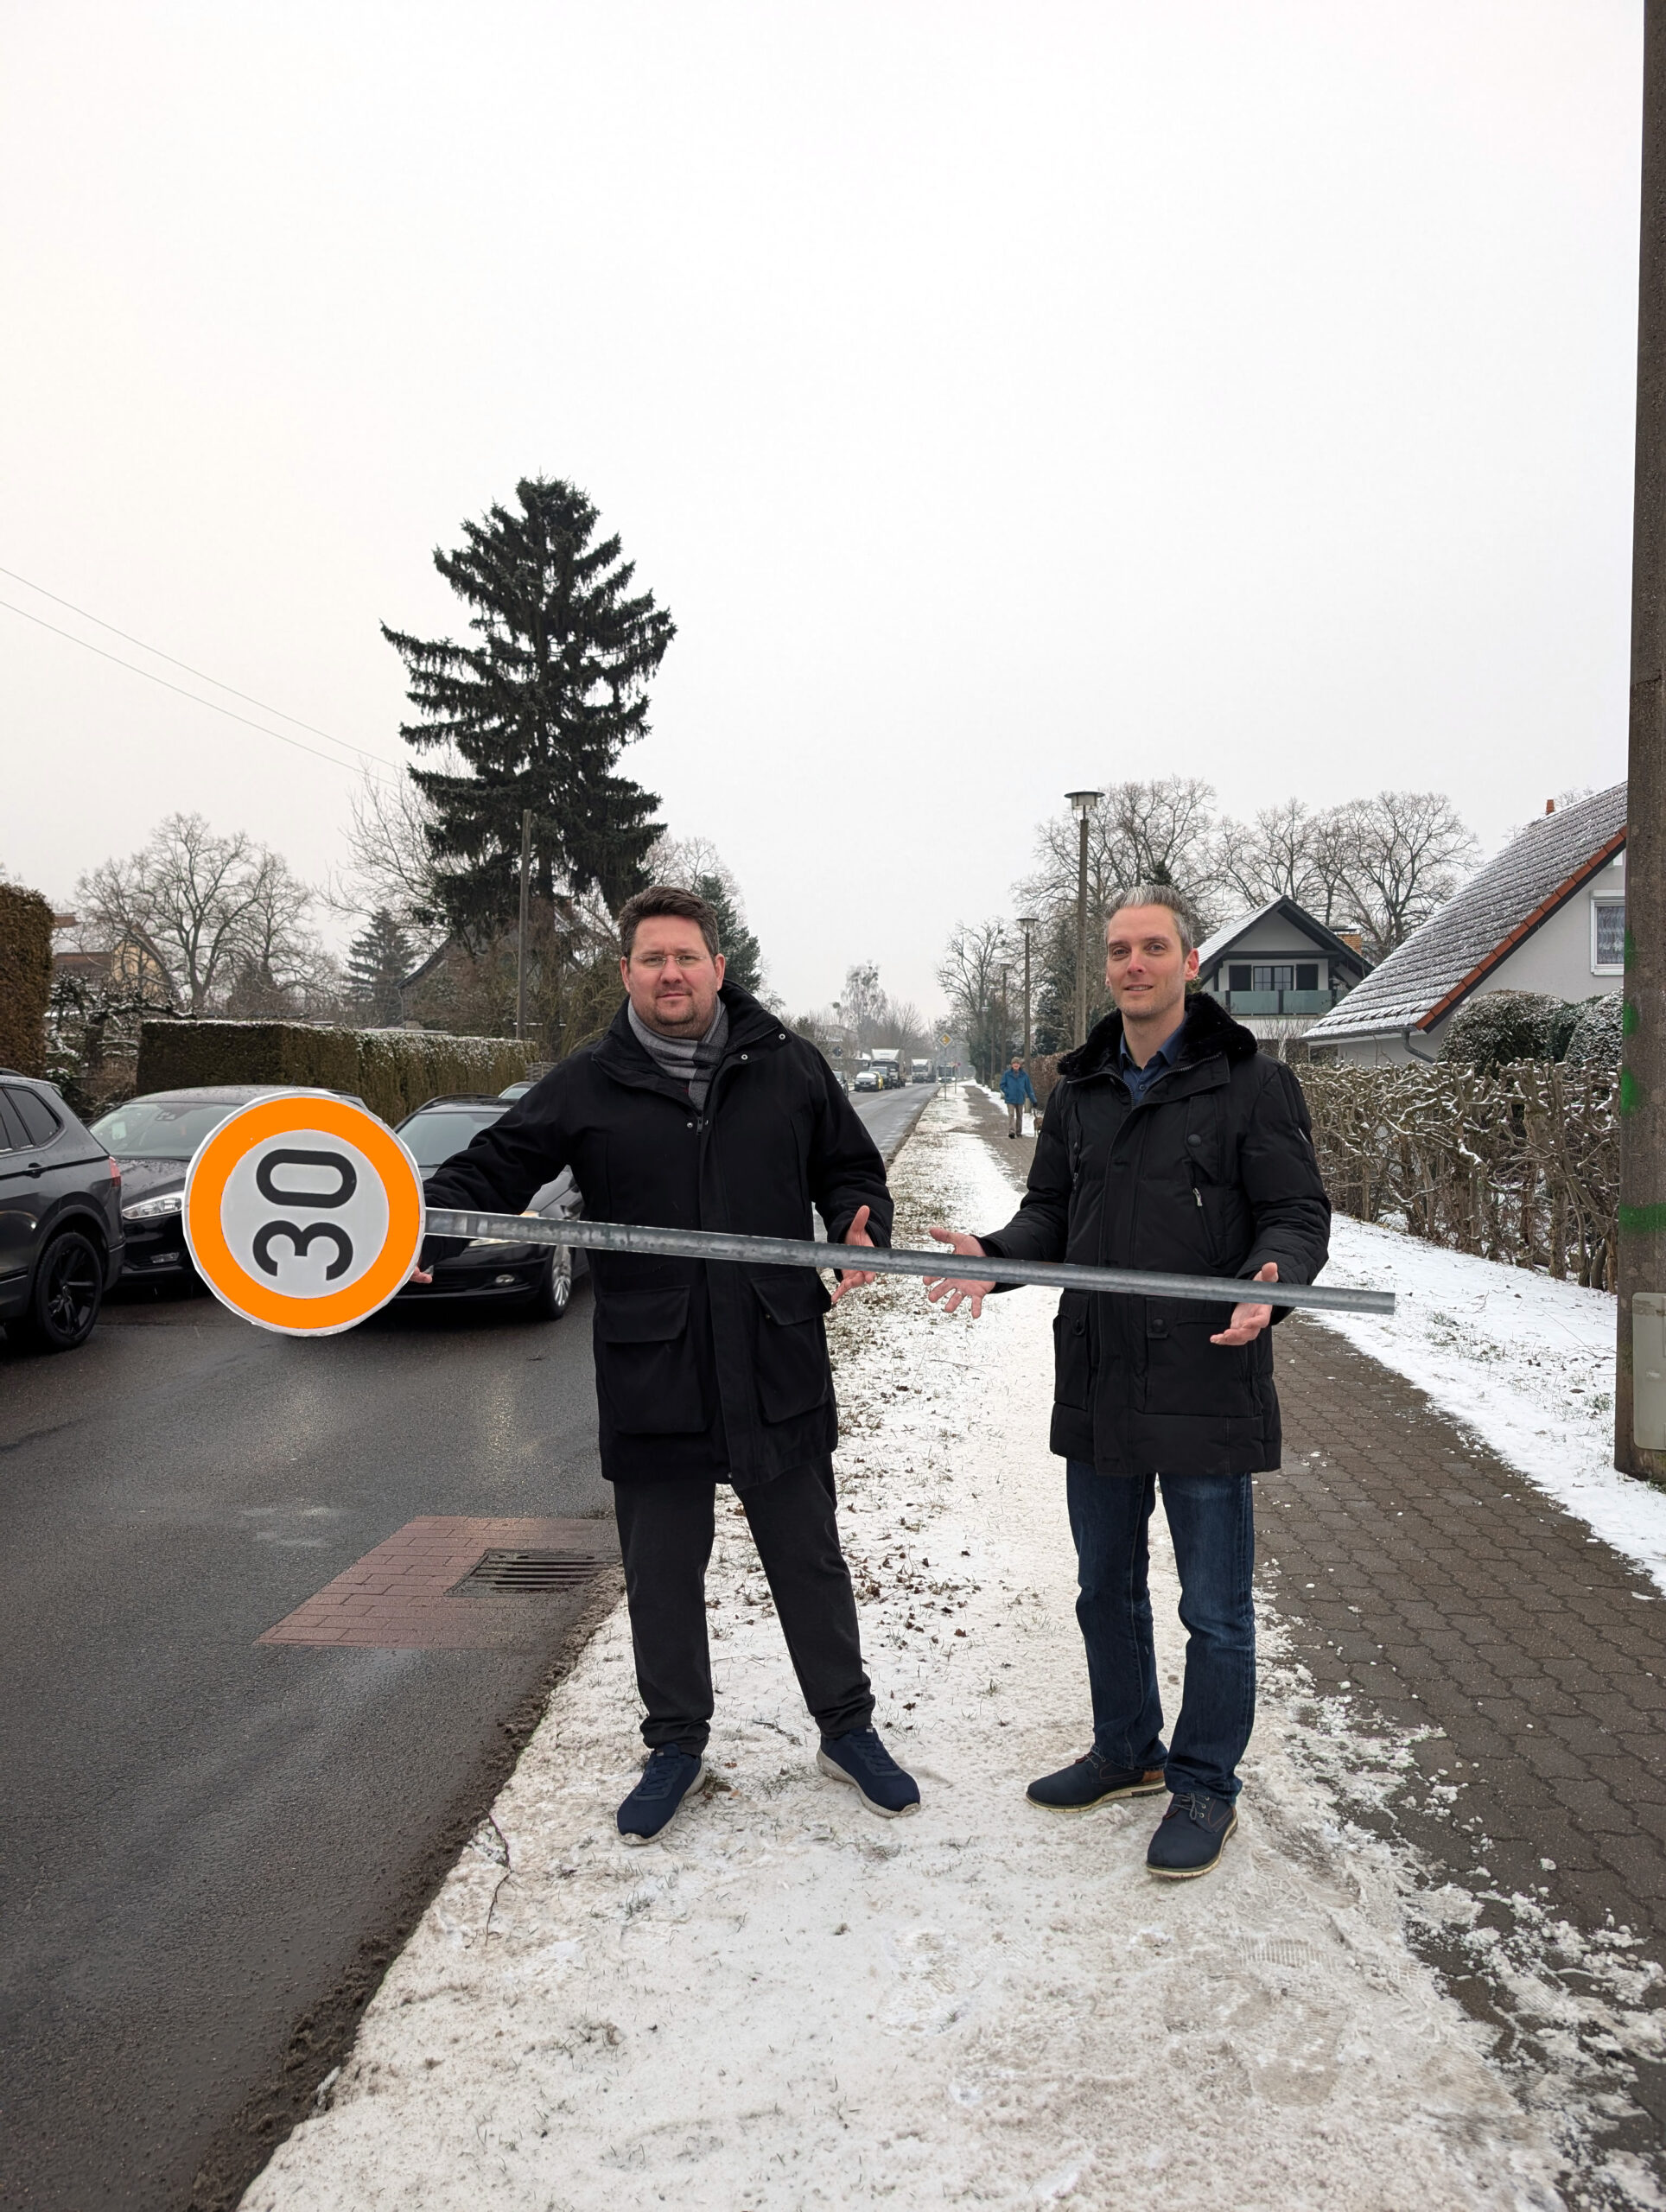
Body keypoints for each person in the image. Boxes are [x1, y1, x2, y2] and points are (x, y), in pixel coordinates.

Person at [416, 885, 920, 1844]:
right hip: (656, 1368)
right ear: (626, 973)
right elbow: (491, 1167)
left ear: (717, 969)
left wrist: (860, 1220)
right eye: (651, 959)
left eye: (686, 957)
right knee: (659, 1570)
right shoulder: (587, 1081)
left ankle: (845, 1728)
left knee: (807, 1556)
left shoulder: (788, 1067)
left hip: (774, 1354)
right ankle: (676, 1743)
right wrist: (424, 1220)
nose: (670, 974)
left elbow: (850, 1169)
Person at [924, 887, 1329, 1879]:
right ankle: (1125, 1749)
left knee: (1213, 1609)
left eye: (1153, 947)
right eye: (1118, 949)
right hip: (1099, 1376)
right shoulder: (1079, 1088)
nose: (1134, 964)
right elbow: (1049, 1218)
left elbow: (1295, 1214)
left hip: (1205, 1377)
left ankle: (1203, 1783)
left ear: (1190, 962)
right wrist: (991, 1253)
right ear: (1104, 966)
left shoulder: (1251, 1084)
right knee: (1103, 1588)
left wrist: (1271, 1280)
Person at [1000, 1053, 1039, 1138]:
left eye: (1017, 1063)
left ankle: (1019, 1132)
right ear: (1012, 1065)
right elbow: (1002, 1085)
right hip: (1010, 1098)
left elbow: (1029, 1088)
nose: (1016, 1065)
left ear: (1020, 1065)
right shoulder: (1007, 1074)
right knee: (1011, 1115)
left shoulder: (1024, 1075)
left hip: (1020, 1098)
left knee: (1020, 1116)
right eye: (1014, 1063)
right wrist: (1007, 1092)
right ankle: (1012, 1132)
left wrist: (1034, 1100)